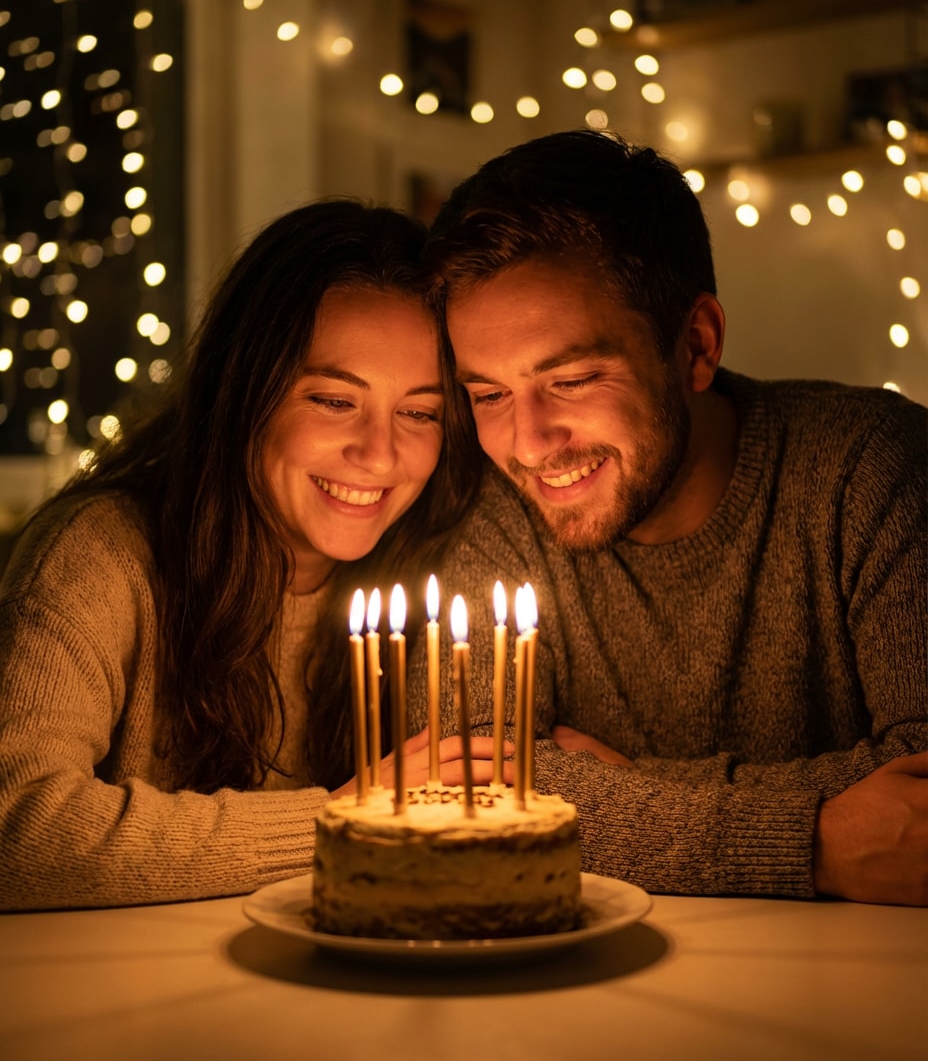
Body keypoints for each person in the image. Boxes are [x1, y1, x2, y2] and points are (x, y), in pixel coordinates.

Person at [407, 129, 928, 906]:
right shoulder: (499, 519)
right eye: (488, 394)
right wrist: (817, 839)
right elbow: (459, 792)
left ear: (695, 345)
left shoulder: (874, 471)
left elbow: (916, 818)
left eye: (574, 378)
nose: (528, 444)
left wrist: (624, 790)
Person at [0, 199, 496, 912]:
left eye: (419, 413)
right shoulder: (101, 557)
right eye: (333, 400)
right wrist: (342, 819)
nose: (379, 454)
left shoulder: (437, 576)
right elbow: (17, 829)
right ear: (246, 392)